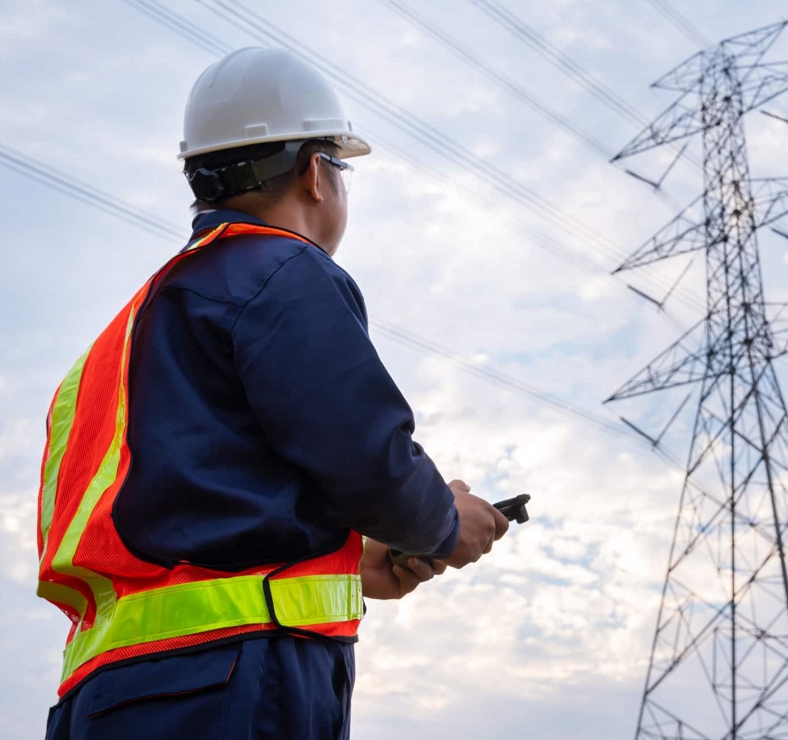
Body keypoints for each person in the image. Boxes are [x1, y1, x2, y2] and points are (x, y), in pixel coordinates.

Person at [38, 46, 509, 739]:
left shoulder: (127, 335)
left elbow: (192, 507)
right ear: (316, 174)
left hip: (104, 699)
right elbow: (366, 460)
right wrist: (444, 521)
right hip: (232, 681)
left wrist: (351, 558)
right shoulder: (281, 268)